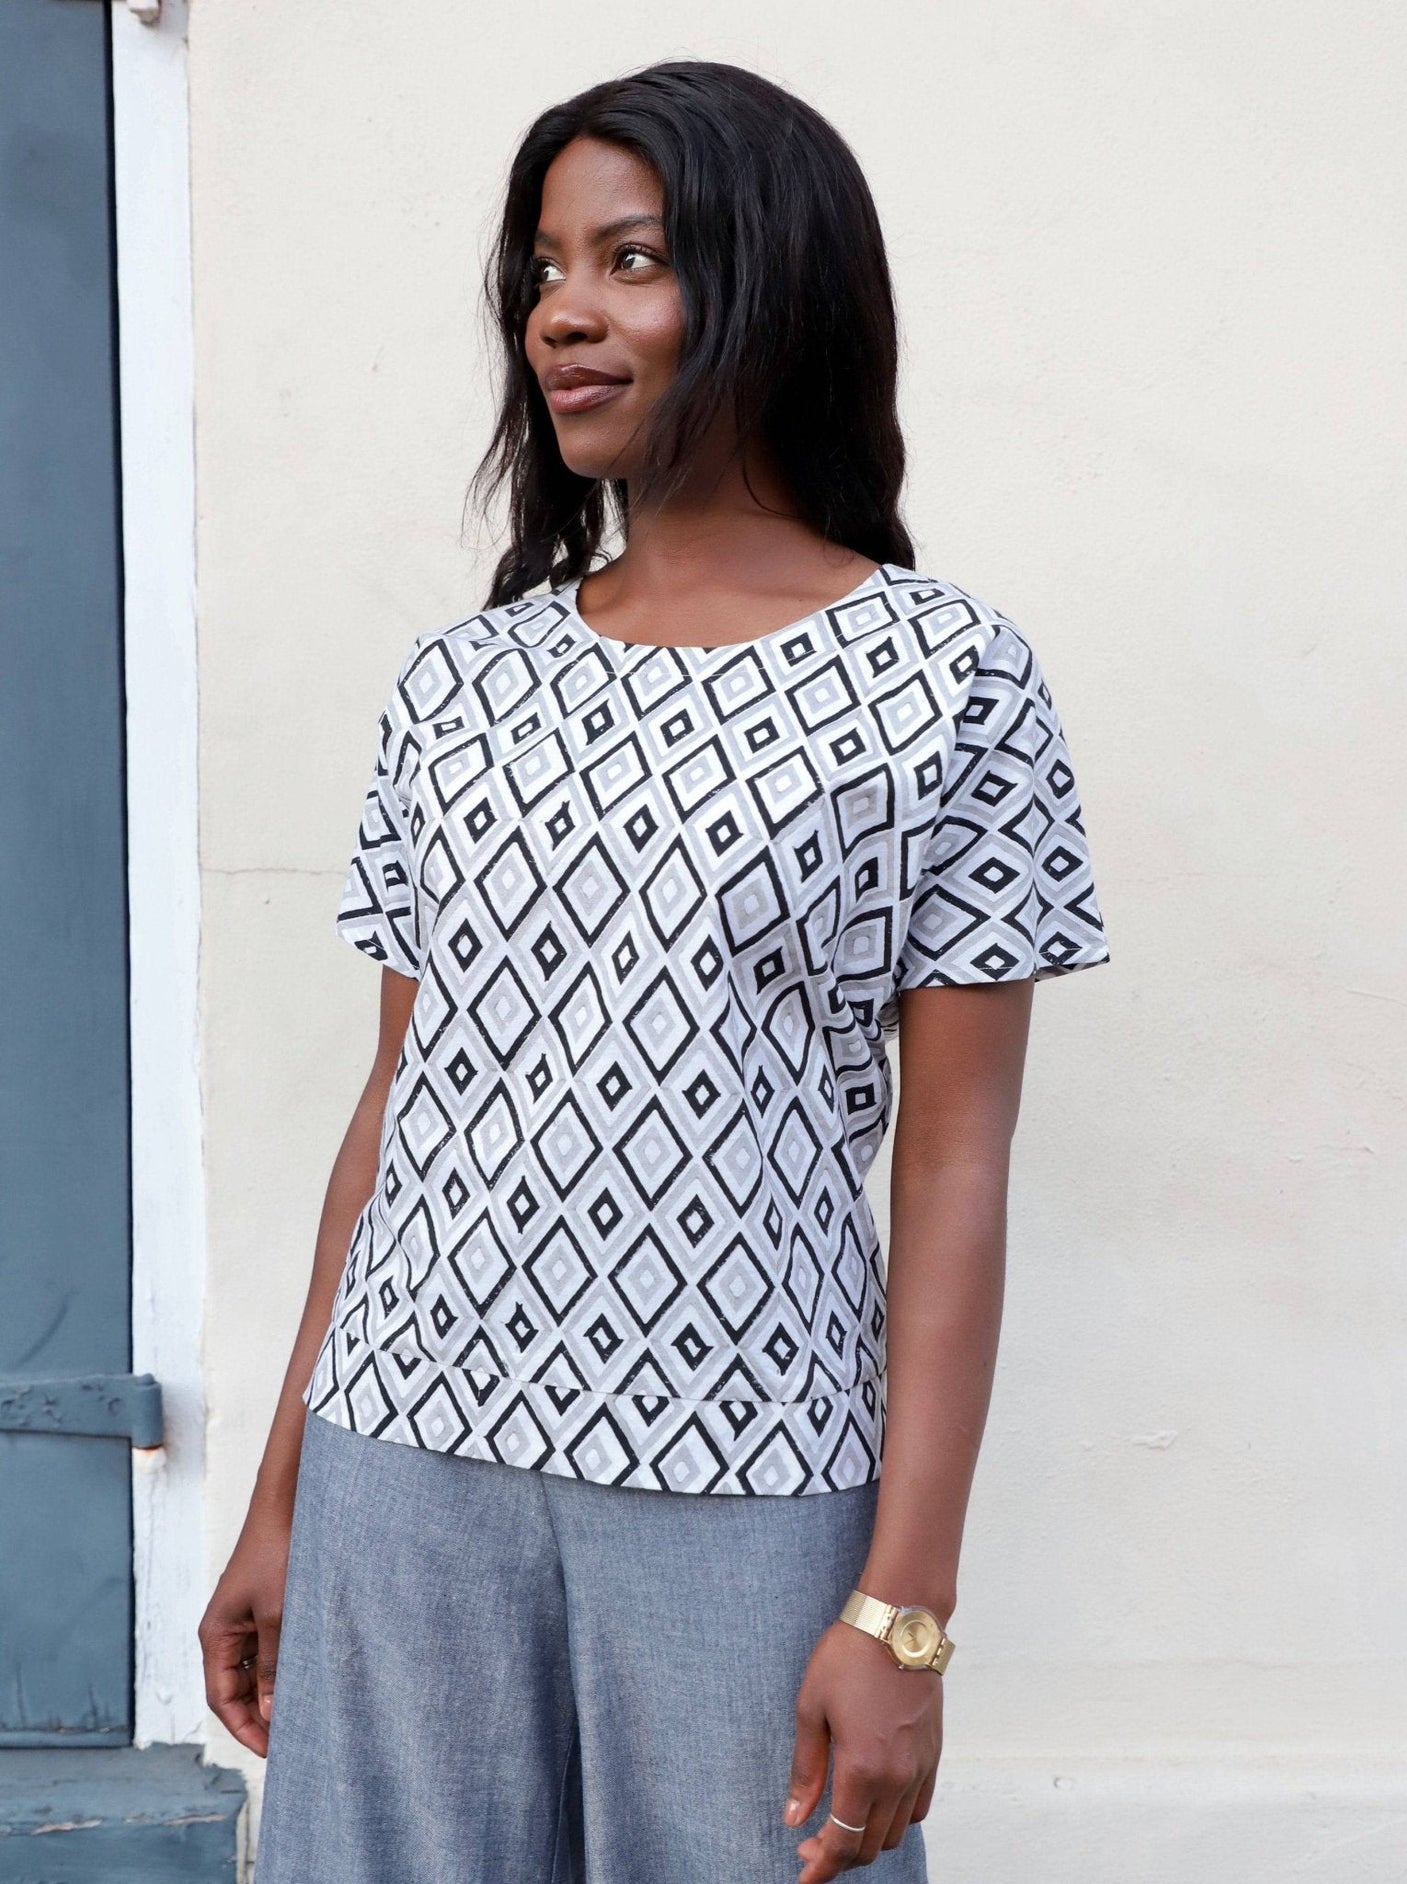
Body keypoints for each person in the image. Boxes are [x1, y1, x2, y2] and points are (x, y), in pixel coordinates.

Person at [202, 59, 1110, 1884]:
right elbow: (397, 1108)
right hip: (404, 1456)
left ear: (775, 281)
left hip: (750, 1472)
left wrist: (904, 1613)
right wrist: (284, 1494)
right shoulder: (463, 684)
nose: (561, 313)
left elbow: (953, 1161)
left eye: (630, 259)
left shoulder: (947, 680)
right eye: (544, 269)